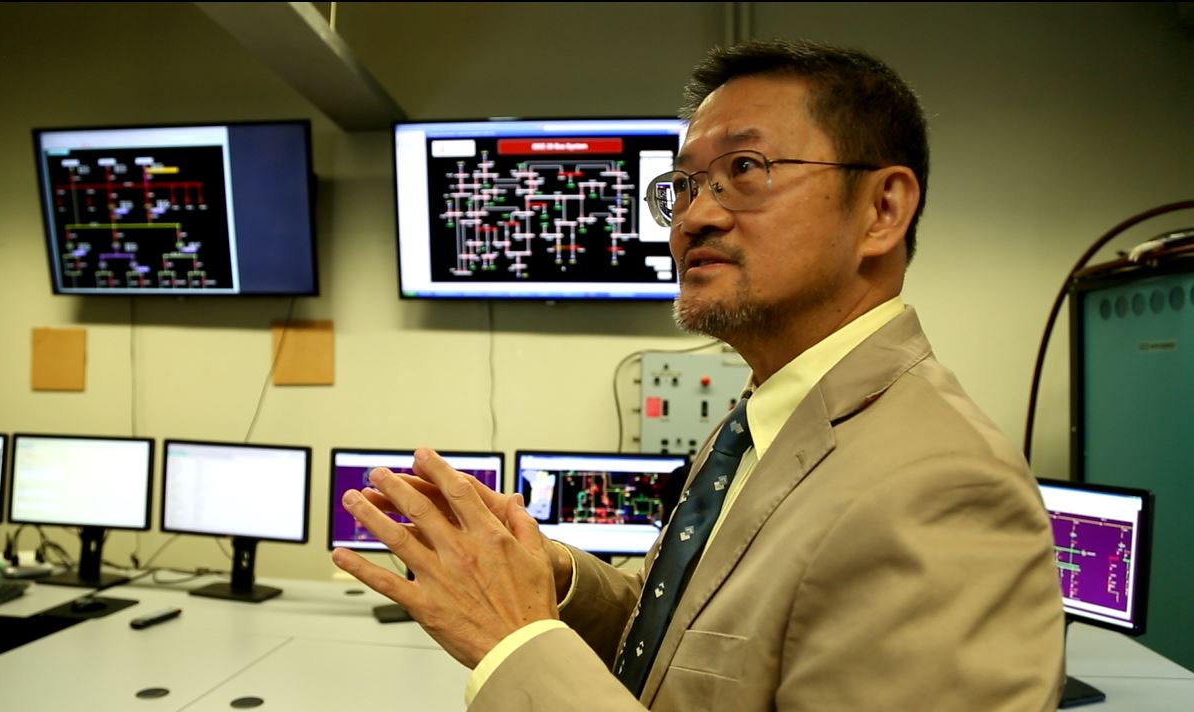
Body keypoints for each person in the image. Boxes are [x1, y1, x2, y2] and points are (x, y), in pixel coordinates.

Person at [333, 38, 1065, 710]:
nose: (691, 220)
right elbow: (684, 650)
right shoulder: (759, 423)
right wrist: (551, 577)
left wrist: (516, 641)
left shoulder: (940, 489)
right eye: (683, 186)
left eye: (744, 170)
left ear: (882, 209)